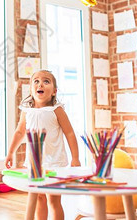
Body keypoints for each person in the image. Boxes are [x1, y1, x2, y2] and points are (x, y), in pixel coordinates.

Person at [5, 70, 81, 220]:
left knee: (54, 199)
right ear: (31, 89)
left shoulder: (57, 110)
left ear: (54, 91)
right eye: (36, 81)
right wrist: (11, 152)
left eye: (46, 81)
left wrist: (75, 158)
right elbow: (19, 132)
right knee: (39, 197)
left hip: (55, 162)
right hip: (35, 163)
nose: (40, 84)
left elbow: (70, 133)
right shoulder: (26, 111)